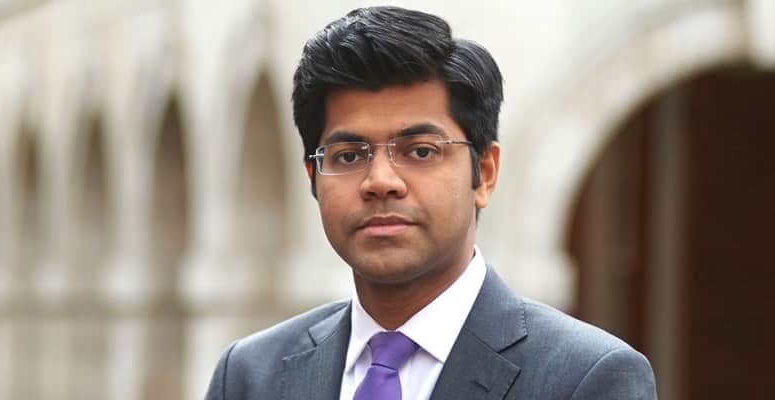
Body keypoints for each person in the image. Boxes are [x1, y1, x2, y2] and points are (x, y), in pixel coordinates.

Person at [205, 6, 657, 400]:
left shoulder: (586, 378)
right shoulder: (251, 374)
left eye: (420, 151)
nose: (381, 182)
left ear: (485, 172)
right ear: (314, 178)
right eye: (349, 156)